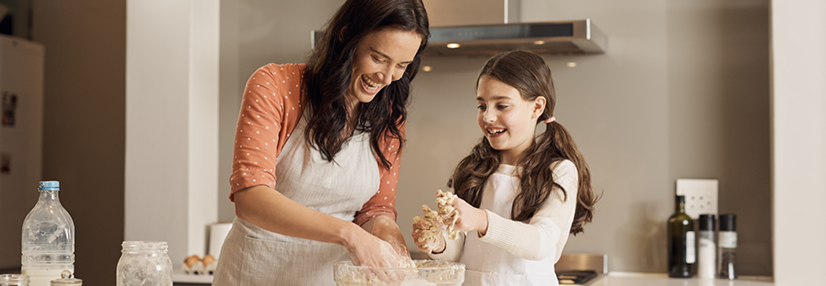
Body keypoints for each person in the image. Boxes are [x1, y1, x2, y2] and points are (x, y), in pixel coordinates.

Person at [213, 0, 429, 285]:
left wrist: (387, 235)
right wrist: (350, 234)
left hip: (328, 278)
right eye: (378, 58)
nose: (387, 78)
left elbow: (374, 209)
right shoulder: (275, 86)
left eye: (402, 65)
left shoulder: (388, 116)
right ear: (346, 35)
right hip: (255, 273)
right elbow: (250, 197)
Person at [411, 50, 600, 286]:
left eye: (502, 105)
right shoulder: (475, 169)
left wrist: (481, 220)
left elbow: (541, 242)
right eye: (482, 106)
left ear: (536, 107)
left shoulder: (559, 171)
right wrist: (437, 243)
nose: (488, 117)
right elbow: (460, 251)